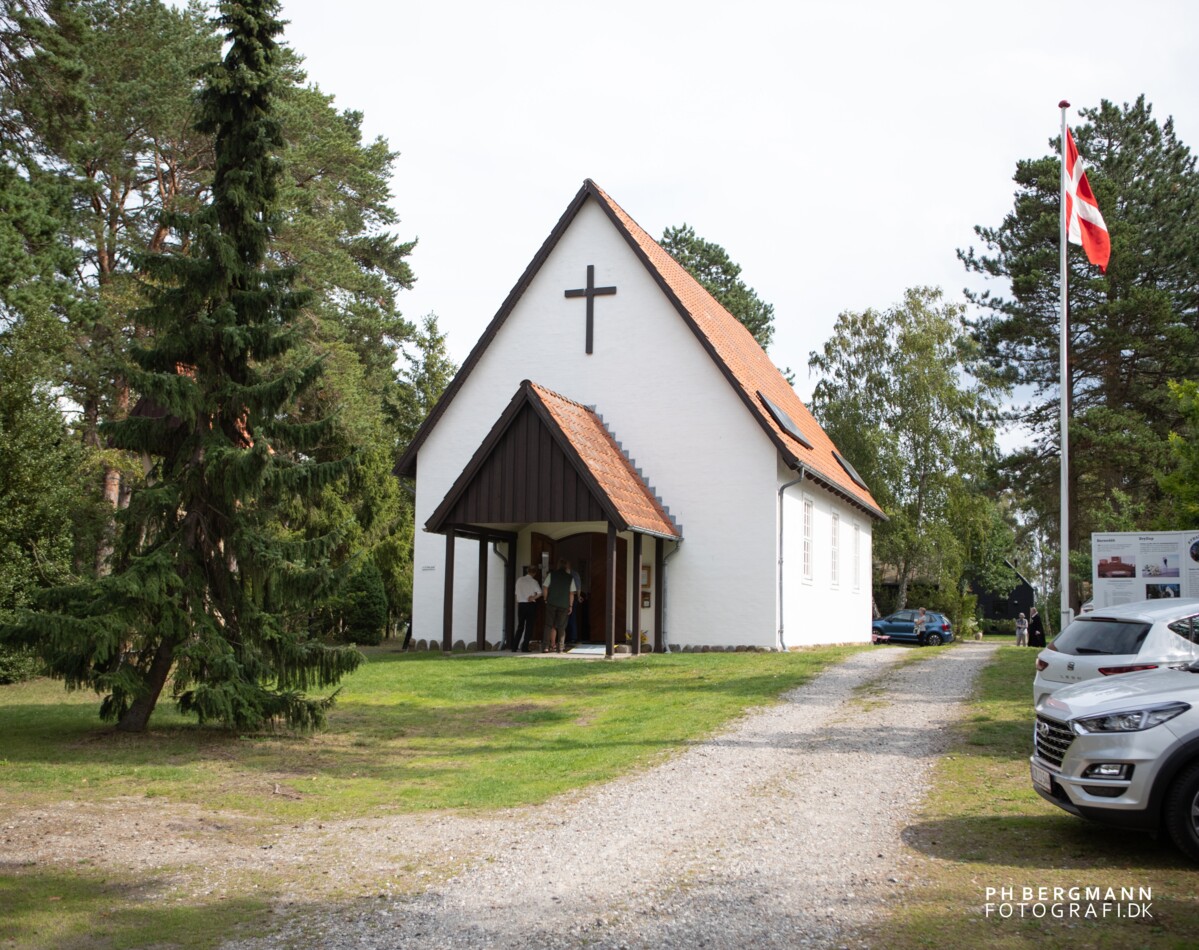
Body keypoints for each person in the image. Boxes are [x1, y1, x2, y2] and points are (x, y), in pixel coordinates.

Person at [542, 557, 577, 653]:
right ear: (566, 567)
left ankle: (546, 647)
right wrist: (571, 605)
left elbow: (545, 587)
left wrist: (545, 599)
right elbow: (571, 593)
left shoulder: (551, 575)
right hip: (564, 604)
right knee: (562, 626)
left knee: (548, 625)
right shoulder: (570, 578)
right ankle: (560, 648)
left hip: (551, 603)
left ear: (558, 566)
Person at [512, 566, 541, 652]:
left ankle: (514, 646)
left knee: (520, 626)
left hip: (521, 604)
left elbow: (516, 594)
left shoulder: (519, 580)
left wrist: (518, 601)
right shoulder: (534, 581)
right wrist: (533, 597)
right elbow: (540, 593)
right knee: (529, 626)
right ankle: (524, 647)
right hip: (530, 604)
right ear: (534, 573)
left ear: (527, 571)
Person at [564, 560, 584, 645]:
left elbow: (577, 587)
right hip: (572, 596)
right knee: (571, 617)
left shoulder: (571, 574)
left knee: (567, 617)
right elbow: (578, 587)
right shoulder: (575, 574)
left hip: (567, 596)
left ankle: (568, 637)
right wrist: (578, 596)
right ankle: (572, 637)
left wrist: (578, 596)